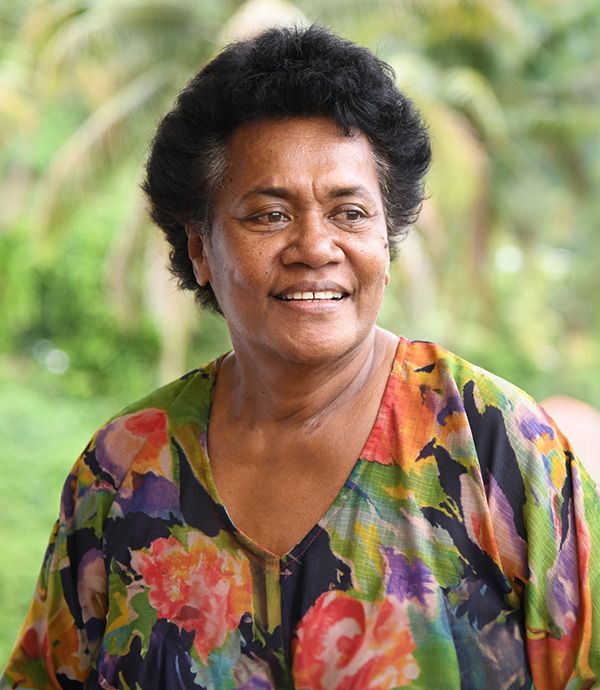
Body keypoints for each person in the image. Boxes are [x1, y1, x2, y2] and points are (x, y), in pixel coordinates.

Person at [2, 25, 599, 690]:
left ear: (387, 236)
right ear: (200, 248)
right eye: (268, 215)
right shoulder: (122, 473)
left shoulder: (493, 445)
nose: (315, 246)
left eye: (350, 212)